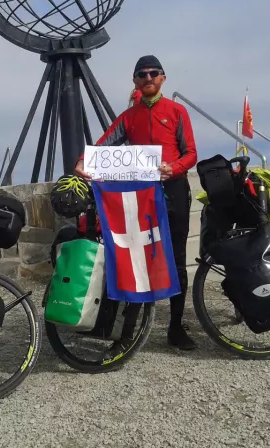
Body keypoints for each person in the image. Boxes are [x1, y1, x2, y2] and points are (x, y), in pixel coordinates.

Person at [74, 55, 198, 351]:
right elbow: (103, 144)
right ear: (135, 81)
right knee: (139, 260)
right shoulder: (129, 117)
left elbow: (191, 153)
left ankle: (176, 327)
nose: (148, 77)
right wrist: (82, 160)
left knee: (177, 260)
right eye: (142, 74)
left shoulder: (177, 111)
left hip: (174, 190)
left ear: (163, 78)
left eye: (154, 73)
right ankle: (127, 333)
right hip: (143, 195)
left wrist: (175, 168)